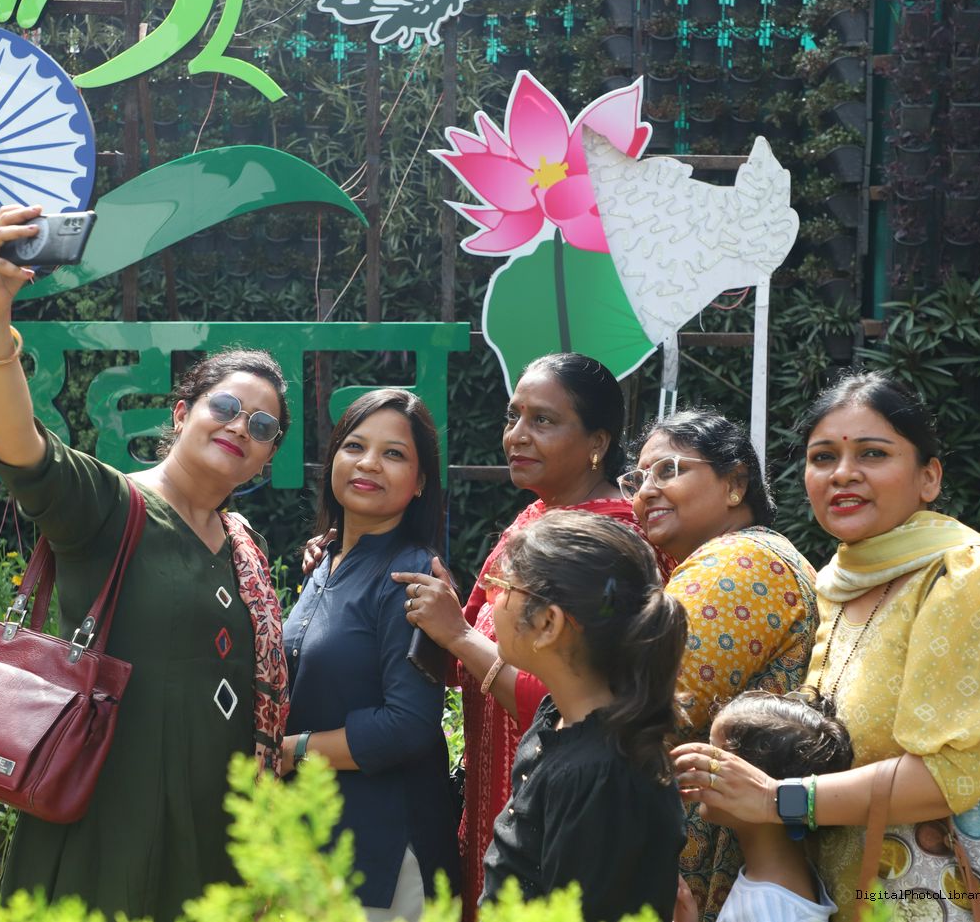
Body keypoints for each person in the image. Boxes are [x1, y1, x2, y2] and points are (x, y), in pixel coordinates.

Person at [0, 206, 291, 922]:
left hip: (216, 831)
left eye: (263, 425)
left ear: (267, 456)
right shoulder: (110, 504)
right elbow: (22, 448)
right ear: (181, 413)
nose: (241, 425)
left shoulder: (247, 550)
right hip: (104, 818)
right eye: (226, 405)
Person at [671, 372, 980, 920]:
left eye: (873, 453)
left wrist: (778, 800)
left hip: (945, 899)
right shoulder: (837, 586)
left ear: (929, 477)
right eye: (823, 457)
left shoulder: (968, 579)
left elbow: (950, 774)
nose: (843, 473)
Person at [392, 352, 665, 920]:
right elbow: (459, 652)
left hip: (568, 797)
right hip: (503, 787)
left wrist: (459, 635)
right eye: (513, 416)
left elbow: (572, 699)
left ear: (597, 442)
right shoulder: (533, 520)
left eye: (543, 420)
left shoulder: (609, 543)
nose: (517, 434)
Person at [621, 410, 818, 920]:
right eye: (638, 479)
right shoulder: (737, 556)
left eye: (668, 470)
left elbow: (634, 706)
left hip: (723, 866)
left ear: (734, 484)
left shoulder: (739, 563)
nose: (646, 491)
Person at [279, 390, 460, 922]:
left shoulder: (412, 576)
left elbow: (407, 725)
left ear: (420, 482)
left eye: (394, 454)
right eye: (355, 446)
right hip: (317, 837)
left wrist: (291, 752)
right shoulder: (326, 561)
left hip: (383, 853)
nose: (369, 464)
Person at [479, 511, 687, 922]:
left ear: (548, 623)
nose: (493, 599)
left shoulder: (601, 777)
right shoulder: (556, 717)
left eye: (502, 586)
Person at [699, 690, 853, 922]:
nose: (699, 766)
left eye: (715, 760)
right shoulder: (776, 886)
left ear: (756, 781)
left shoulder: (769, 910)